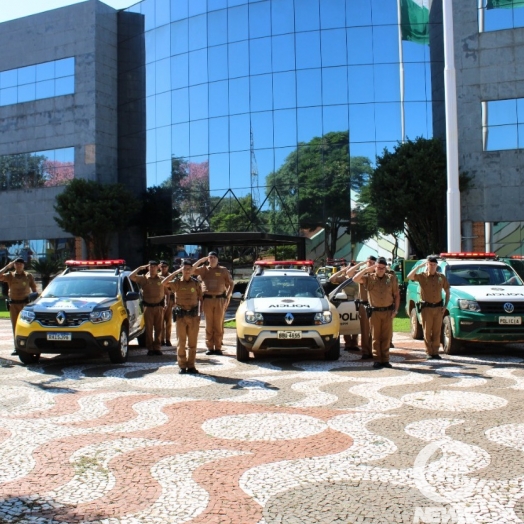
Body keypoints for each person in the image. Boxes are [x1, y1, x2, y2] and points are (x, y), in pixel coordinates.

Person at [353, 256, 400, 369]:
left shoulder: (391, 278)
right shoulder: (369, 278)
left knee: (386, 337)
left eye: (383, 268)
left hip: (388, 312)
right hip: (374, 312)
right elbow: (355, 279)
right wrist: (366, 269)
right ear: (375, 267)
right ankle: (377, 359)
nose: (381, 270)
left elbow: (397, 295)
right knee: (375, 337)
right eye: (379, 267)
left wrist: (396, 310)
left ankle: (385, 359)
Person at [163, 259, 203, 374]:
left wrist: (200, 313)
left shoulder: (195, 283)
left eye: (189, 269)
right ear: (182, 270)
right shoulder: (177, 283)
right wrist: (176, 272)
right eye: (185, 269)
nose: (187, 271)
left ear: (191, 270)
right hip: (181, 316)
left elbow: (201, 298)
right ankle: (182, 365)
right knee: (181, 342)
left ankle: (191, 365)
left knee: (192, 343)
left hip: (193, 316)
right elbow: (163, 283)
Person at [407, 255, 450, 360]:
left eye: (434, 265)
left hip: (438, 308)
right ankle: (429, 352)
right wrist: (418, 266)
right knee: (427, 331)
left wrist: (445, 306)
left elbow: (447, 291)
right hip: (427, 308)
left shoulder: (441, 277)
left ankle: (435, 352)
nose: (432, 266)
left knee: (436, 331)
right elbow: (409, 276)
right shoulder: (422, 276)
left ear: (436, 266)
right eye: (430, 264)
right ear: (427, 265)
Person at [192, 251, 234, 355]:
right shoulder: (204, 269)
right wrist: (201, 260)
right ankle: (210, 347)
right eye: (210, 257)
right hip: (207, 300)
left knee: (218, 324)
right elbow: (192, 270)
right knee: (209, 324)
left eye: (214, 257)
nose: (212, 259)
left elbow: (231, 284)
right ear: (208, 259)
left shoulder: (223, 270)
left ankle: (218, 347)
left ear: (218, 259)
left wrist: (227, 296)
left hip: (220, 299)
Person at [342, 256, 377, 360]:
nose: (370, 263)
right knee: (365, 331)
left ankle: (375, 351)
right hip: (364, 304)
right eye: (368, 261)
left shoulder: (377, 272)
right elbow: (349, 274)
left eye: (372, 262)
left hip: (376, 305)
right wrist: (362, 264)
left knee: (375, 331)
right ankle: (366, 352)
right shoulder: (362, 272)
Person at [0, 257, 38, 355]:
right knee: (15, 326)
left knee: (27, 325)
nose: (19, 265)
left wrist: (36, 301)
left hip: (25, 304)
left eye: (21, 264)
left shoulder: (28, 276)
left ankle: (28, 347)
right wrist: (7, 267)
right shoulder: (10, 275)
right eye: (17, 264)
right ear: (14, 265)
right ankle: (17, 347)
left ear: (23, 265)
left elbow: (34, 289)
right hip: (13, 304)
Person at [130, 260, 165, 356]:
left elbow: (168, 290)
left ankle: (157, 347)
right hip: (148, 307)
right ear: (148, 267)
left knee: (159, 329)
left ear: (157, 267)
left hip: (159, 307)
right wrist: (140, 268)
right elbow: (131, 276)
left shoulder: (161, 279)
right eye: (151, 266)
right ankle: (150, 348)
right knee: (149, 329)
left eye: (154, 266)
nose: (152, 268)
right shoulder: (144, 279)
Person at [329, 262, 360, 351]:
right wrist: (341, 271)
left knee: (355, 321)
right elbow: (332, 279)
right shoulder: (343, 279)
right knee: (346, 322)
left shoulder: (358, 277)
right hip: (345, 301)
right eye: (350, 267)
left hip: (356, 301)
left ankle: (354, 343)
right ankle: (348, 343)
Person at [159, 260, 175, 347]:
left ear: (168, 267)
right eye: (162, 267)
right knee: (160, 321)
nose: (163, 268)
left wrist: (175, 301)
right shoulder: (156, 276)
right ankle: (161, 340)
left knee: (168, 321)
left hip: (170, 300)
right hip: (159, 300)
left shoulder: (171, 276)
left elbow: (175, 289)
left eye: (165, 267)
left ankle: (168, 339)